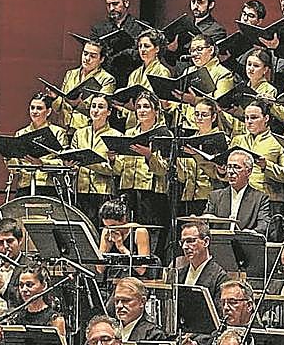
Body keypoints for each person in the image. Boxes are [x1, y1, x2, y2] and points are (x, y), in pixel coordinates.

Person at [114, 91, 171, 246]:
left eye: (146, 106)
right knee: (127, 237)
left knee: (149, 238)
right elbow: (119, 168)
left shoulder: (164, 135)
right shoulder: (129, 133)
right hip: (128, 192)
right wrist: (113, 158)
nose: (141, 110)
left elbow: (164, 169)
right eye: (138, 107)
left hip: (152, 195)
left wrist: (149, 155)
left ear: (156, 111)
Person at [230, 101, 284, 222]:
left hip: (270, 200)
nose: (249, 121)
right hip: (240, 198)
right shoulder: (237, 140)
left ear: (266, 118)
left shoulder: (278, 142)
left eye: (254, 117)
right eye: (246, 118)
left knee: (268, 238)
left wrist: (266, 166)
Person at [70, 93, 118, 225]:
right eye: (93, 106)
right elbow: (72, 163)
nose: (95, 110)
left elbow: (114, 170)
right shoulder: (79, 134)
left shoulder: (116, 135)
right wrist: (71, 165)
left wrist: (88, 163)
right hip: (79, 190)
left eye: (101, 107)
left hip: (103, 191)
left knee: (101, 231)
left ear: (109, 112)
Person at [10, 91, 70, 197]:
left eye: (39, 108)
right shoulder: (21, 133)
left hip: (49, 185)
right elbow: (16, 166)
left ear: (48, 111)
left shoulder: (58, 132)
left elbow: (63, 162)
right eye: (32, 108)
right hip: (25, 185)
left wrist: (42, 162)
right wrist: (9, 156)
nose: (34, 111)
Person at [49, 38, 115, 130]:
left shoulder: (107, 79)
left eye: (93, 56)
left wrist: (77, 104)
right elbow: (59, 108)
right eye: (85, 53)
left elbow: (101, 111)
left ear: (102, 59)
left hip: (85, 130)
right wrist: (55, 98)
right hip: (64, 127)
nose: (87, 58)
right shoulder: (70, 74)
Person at [205, 148, 272, 236]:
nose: (231, 172)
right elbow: (205, 223)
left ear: (248, 171)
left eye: (237, 167)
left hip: (245, 244)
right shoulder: (215, 196)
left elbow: (263, 225)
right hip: (219, 243)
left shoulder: (260, 198)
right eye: (229, 167)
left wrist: (253, 233)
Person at [91, 0, 149, 85]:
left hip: (133, 80)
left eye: (115, 4)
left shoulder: (141, 28)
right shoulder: (98, 30)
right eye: (108, 5)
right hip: (106, 81)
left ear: (126, 3)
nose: (111, 8)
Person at [97, 198, 152, 278]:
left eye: (114, 226)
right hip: (113, 279)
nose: (111, 229)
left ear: (123, 219)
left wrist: (121, 247)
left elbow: (141, 270)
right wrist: (106, 249)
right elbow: (99, 269)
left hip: (135, 281)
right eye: (107, 226)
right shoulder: (107, 231)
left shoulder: (139, 232)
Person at [176, 220, 228, 294]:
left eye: (190, 241)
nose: (184, 247)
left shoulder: (220, 277)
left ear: (206, 242)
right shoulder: (179, 274)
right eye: (182, 242)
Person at [15, 264, 66, 339]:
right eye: (21, 285)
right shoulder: (16, 318)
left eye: (29, 285)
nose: (24, 290)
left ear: (44, 286)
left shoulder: (55, 319)